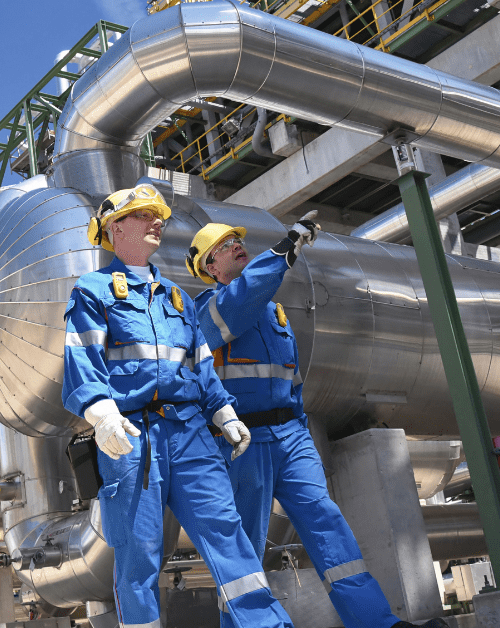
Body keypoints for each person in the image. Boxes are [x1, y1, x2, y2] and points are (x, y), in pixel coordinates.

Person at [187, 218, 448, 628]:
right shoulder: (208, 309)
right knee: (244, 549)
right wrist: (283, 250)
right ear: (210, 266)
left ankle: (377, 622)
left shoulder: (274, 312)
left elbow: (290, 379)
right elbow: (243, 298)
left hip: (290, 436)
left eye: (237, 239)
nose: (237, 245)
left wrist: (300, 429)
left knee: (327, 522)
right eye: (224, 245)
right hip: (241, 441)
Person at [63, 183, 292, 628]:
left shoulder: (176, 297)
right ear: (115, 228)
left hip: (190, 433)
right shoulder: (92, 290)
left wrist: (224, 412)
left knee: (227, 533)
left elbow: (200, 364)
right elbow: (82, 360)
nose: (157, 222)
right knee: (139, 552)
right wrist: (102, 414)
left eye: (159, 216)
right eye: (144, 215)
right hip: (132, 436)